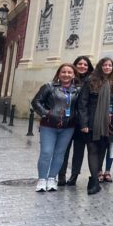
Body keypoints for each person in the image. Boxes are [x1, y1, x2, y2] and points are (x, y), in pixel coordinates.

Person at [32, 63, 81, 192]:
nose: (66, 75)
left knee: (60, 154)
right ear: (59, 74)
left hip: (68, 127)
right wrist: (46, 113)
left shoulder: (77, 90)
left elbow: (80, 106)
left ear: (74, 75)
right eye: (63, 72)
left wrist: (75, 117)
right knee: (46, 152)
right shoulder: (49, 87)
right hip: (49, 125)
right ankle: (42, 179)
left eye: (69, 72)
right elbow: (36, 102)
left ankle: (52, 178)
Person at [78, 57, 113, 195]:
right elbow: (83, 103)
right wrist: (84, 123)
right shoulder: (90, 81)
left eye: (110, 65)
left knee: (102, 150)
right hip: (92, 121)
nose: (107, 67)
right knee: (92, 149)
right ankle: (94, 182)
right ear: (100, 67)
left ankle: (96, 177)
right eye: (105, 65)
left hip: (107, 123)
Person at [58, 55, 93, 186]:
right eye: (80, 64)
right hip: (67, 120)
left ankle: (74, 175)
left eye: (85, 64)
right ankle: (61, 175)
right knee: (63, 149)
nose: (82, 66)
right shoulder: (68, 79)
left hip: (82, 121)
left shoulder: (91, 81)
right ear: (75, 65)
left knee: (79, 150)